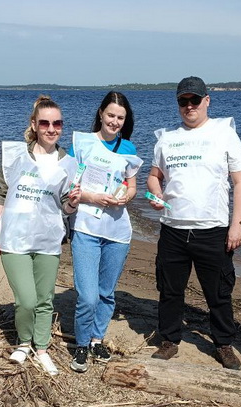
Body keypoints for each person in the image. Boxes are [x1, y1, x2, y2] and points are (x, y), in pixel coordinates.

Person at [146, 76, 241, 370]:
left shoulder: (224, 133)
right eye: (183, 101)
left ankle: (224, 344)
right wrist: (156, 193)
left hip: (212, 230)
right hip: (173, 229)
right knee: (170, 290)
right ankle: (169, 340)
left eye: (194, 100)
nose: (189, 106)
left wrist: (236, 225)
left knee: (218, 293)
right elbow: (155, 176)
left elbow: (240, 182)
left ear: (207, 101)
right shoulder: (167, 138)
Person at [0, 95, 81, 376]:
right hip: (14, 237)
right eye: (45, 123)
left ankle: (40, 348)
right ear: (34, 124)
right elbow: (1, 192)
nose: (52, 128)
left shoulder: (68, 162)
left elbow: (64, 206)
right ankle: (23, 341)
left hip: (48, 238)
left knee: (44, 299)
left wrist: (73, 202)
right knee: (26, 299)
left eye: (57, 123)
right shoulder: (16, 155)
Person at [67, 91, 143, 372]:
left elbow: (133, 185)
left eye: (120, 118)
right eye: (111, 115)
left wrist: (127, 197)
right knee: (87, 295)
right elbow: (70, 185)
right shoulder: (82, 143)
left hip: (117, 231)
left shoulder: (128, 149)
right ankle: (82, 344)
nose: (115, 122)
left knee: (106, 292)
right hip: (86, 226)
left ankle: (98, 339)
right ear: (100, 114)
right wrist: (92, 198)